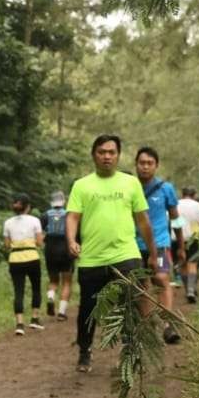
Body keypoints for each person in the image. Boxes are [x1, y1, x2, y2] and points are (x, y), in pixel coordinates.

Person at [67, 135, 157, 373]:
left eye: (111, 152)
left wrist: (153, 252)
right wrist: (71, 240)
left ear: (118, 155)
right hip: (92, 258)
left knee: (128, 306)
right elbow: (73, 216)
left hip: (126, 255)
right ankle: (84, 351)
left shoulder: (130, 183)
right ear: (93, 155)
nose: (107, 156)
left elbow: (143, 221)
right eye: (101, 152)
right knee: (88, 309)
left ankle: (128, 354)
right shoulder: (82, 185)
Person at [133, 147, 183, 344]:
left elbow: (176, 219)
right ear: (136, 165)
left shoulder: (166, 188)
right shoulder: (129, 187)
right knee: (142, 285)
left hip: (161, 244)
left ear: (156, 165)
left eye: (149, 163)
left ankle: (168, 325)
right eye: (142, 163)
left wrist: (181, 245)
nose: (145, 167)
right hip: (134, 246)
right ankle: (147, 327)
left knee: (161, 278)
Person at [2, 194, 45, 335]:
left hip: (15, 259)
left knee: (18, 291)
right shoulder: (35, 221)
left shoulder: (7, 223)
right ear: (28, 207)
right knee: (36, 288)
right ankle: (34, 319)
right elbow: (39, 243)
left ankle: (19, 324)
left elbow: (7, 245)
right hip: (32, 257)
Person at [40, 190, 73, 320]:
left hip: (50, 250)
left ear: (52, 202)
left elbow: (40, 233)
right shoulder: (69, 215)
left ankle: (51, 297)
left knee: (53, 280)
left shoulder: (44, 215)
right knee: (66, 282)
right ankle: (61, 312)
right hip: (66, 250)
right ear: (63, 201)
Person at [177, 187, 199, 303]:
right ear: (194, 195)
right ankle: (191, 290)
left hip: (176, 237)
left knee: (182, 264)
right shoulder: (198, 206)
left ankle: (187, 290)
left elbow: (170, 219)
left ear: (182, 194)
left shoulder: (176, 204)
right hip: (194, 237)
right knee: (193, 264)